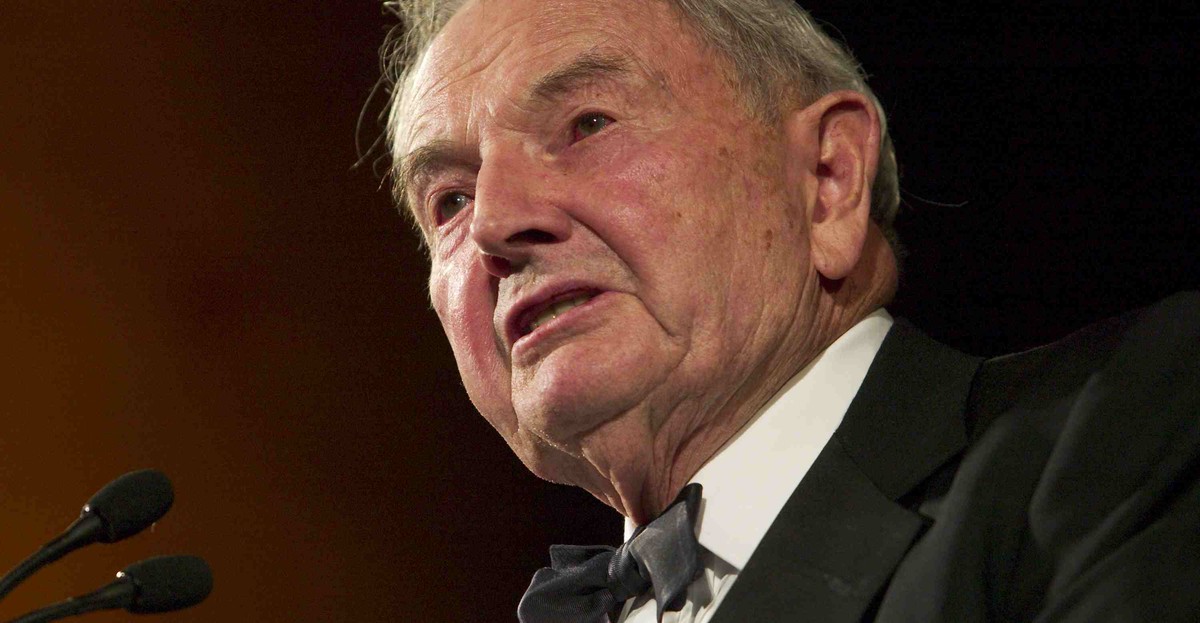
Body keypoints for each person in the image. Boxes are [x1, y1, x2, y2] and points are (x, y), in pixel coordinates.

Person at [379, 0, 1200, 621]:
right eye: (450, 199)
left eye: (588, 124)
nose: (493, 223)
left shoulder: (1133, 426)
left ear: (827, 180)